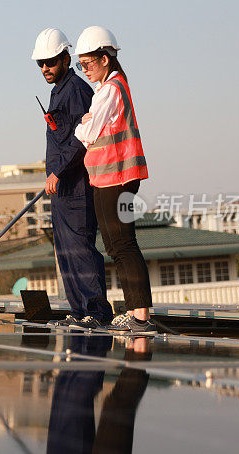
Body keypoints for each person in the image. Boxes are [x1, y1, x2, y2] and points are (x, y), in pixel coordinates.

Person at [72, 26, 155, 333]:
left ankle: (140, 315)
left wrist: (84, 125)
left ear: (105, 59)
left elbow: (88, 134)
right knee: (117, 246)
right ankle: (136, 312)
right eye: (81, 64)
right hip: (109, 178)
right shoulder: (111, 88)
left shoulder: (109, 90)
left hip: (117, 178)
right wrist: (88, 123)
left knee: (123, 245)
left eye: (88, 64)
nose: (85, 70)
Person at [31, 28, 113, 329]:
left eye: (50, 62)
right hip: (61, 188)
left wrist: (58, 171)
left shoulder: (76, 89)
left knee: (80, 248)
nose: (45, 69)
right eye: (41, 63)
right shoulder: (57, 91)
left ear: (66, 58)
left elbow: (83, 140)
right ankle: (79, 310)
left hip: (76, 184)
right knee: (65, 251)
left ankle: (98, 311)